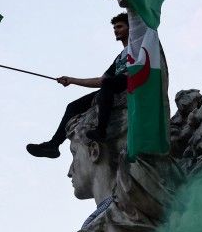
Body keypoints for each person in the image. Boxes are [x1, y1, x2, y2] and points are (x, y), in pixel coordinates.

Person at [27, 13, 130, 158]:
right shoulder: (119, 58)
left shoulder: (141, 45)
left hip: (133, 83)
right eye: (114, 27)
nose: (115, 30)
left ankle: (101, 130)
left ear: (131, 27)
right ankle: (53, 145)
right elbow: (100, 81)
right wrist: (71, 80)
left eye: (119, 26)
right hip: (114, 85)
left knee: (108, 83)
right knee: (72, 106)